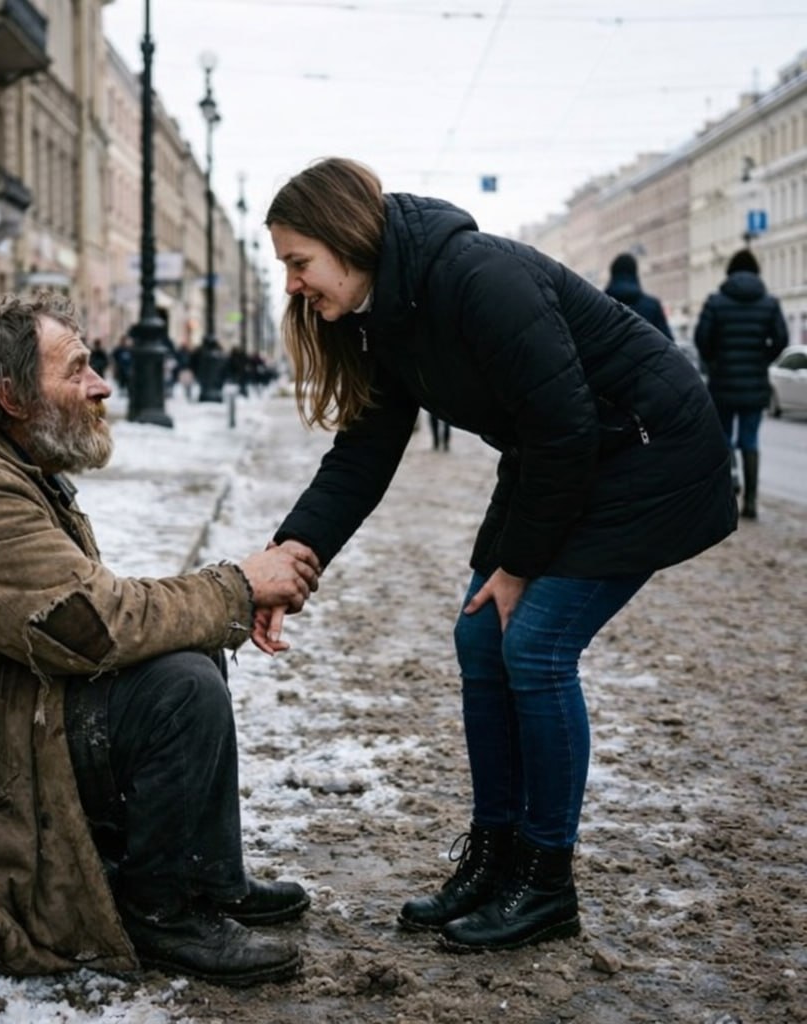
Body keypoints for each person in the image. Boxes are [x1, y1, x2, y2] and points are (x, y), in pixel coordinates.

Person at [260, 157, 737, 955]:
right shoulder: (385, 315)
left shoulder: (477, 276)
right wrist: (291, 555)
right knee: (480, 635)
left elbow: (565, 425)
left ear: (346, 237)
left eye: (298, 262)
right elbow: (363, 455)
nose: (292, 284)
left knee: (537, 644)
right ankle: (495, 857)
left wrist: (517, 567)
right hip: (562, 456)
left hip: (649, 452)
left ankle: (545, 882)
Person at [0, 293, 321, 987]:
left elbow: (83, 616)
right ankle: (161, 914)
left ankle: (206, 878)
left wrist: (222, 601)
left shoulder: (4, 463)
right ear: (12, 397)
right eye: (77, 369)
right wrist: (238, 587)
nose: (101, 385)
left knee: (189, 650)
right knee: (179, 691)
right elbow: (94, 628)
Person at [694, 248, 788, 520]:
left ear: (730, 273)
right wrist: (762, 359)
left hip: (722, 382)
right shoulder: (769, 303)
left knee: (722, 438)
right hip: (755, 384)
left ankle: (726, 494)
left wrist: (714, 361)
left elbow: (702, 338)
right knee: (750, 440)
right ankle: (751, 501)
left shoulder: (716, 302)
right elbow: (781, 339)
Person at [604, 252, 673, 339]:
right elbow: (667, 341)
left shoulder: (601, 304)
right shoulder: (652, 306)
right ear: (634, 273)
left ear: (613, 272)